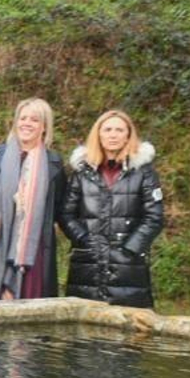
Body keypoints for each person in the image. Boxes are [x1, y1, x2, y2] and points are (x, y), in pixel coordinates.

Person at [60, 109, 164, 308]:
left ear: (128, 135)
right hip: (87, 262)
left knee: (129, 329)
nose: (113, 134)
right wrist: (83, 240)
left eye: (119, 130)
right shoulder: (82, 173)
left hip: (128, 266)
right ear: (98, 134)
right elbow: (66, 214)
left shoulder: (144, 172)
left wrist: (130, 248)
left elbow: (154, 217)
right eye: (107, 129)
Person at [0, 97, 66, 300]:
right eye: (23, 118)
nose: (26, 123)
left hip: (32, 253)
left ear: (44, 127)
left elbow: (59, 210)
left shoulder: (54, 164)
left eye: (35, 120)